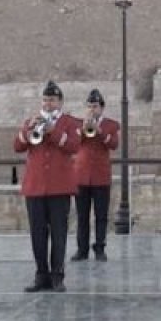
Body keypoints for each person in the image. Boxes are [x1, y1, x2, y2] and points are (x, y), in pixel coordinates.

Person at [14, 80, 81, 292]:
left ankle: (57, 276)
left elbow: (73, 146)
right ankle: (41, 274)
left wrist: (52, 131)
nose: (48, 104)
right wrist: (28, 131)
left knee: (59, 233)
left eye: (52, 100)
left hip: (59, 187)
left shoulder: (70, 123)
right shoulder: (31, 121)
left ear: (60, 102)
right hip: (35, 186)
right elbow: (17, 146)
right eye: (45, 100)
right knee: (37, 234)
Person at [72, 89, 120, 261]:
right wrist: (83, 130)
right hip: (81, 176)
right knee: (82, 216)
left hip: (100, 176)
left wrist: (100, 132)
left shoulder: (111, 125)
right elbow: (74, 144)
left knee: (101, 216)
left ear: (102, 108)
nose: (92, 109)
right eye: (90, 106)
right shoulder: (78, 124)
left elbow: (114, 144)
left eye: (95, 106)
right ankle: (82, 249)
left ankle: (100, 248)